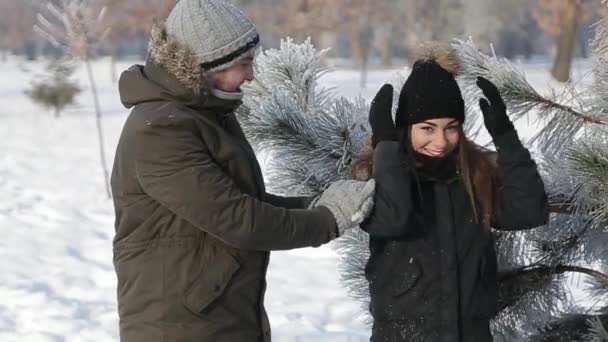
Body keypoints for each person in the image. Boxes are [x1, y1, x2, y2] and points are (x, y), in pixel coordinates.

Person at [110, 0, 375, 341]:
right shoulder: (161, 129)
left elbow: (240, 200)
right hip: (179, 325)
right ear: (206, 64)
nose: (251, 75)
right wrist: (326, 219)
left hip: (214, 312)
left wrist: (315, 203)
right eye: (244, 63)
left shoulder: (203, 112)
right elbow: (237, 218)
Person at [356, 44, 549, 341]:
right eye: (427, 128)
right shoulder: (383, 175)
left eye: (452, 127)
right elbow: (393, 219)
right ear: (406, 129)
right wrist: (384, 141)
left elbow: (528, 211)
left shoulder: (474, 176)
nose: (441, 140)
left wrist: (505, 137)